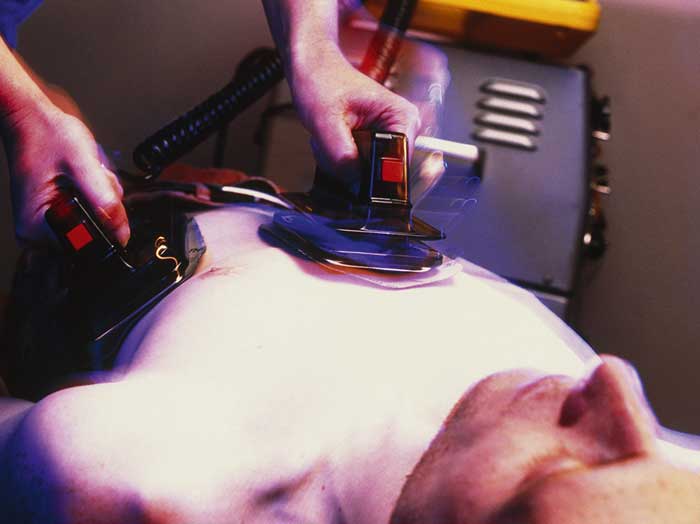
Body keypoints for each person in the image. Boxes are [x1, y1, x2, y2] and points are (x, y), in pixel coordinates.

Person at [0, 203, 698, 523]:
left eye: (557, 473)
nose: (616, 383)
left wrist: (21, 104)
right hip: (270, 205)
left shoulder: (142, 477)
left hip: (97, 252)